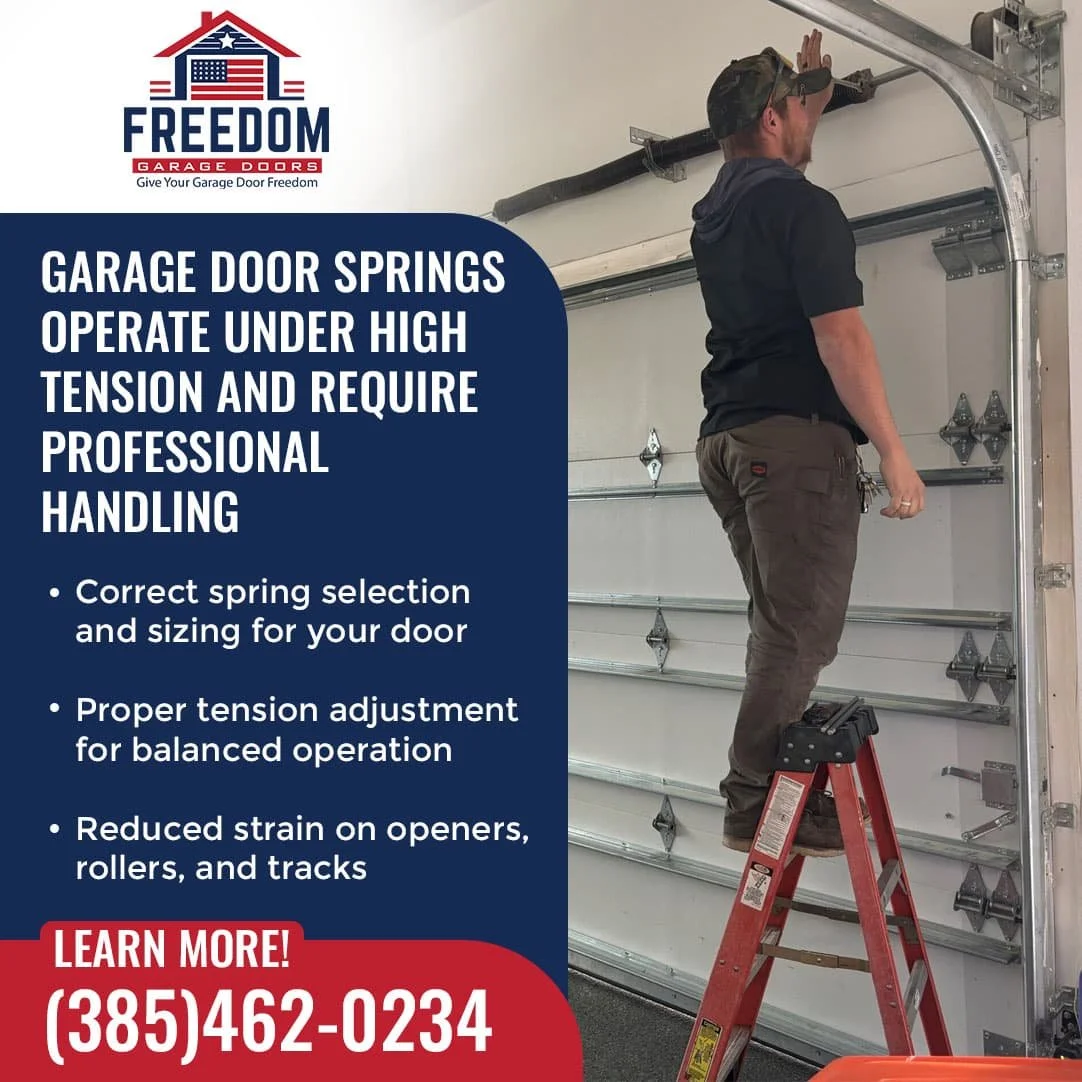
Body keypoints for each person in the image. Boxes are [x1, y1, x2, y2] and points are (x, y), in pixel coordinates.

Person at [690, 31, 926, 857]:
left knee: (778, 627)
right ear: (770, 117)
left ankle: (770, 790)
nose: (807, 117)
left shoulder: (718, 214)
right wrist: (892, 450)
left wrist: (808, 87)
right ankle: (755, 800)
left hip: (729, 439)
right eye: (798, 108)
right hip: (792, 443)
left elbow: (779, 157)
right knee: (800, 634)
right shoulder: (801, 207)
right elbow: (841, 339)